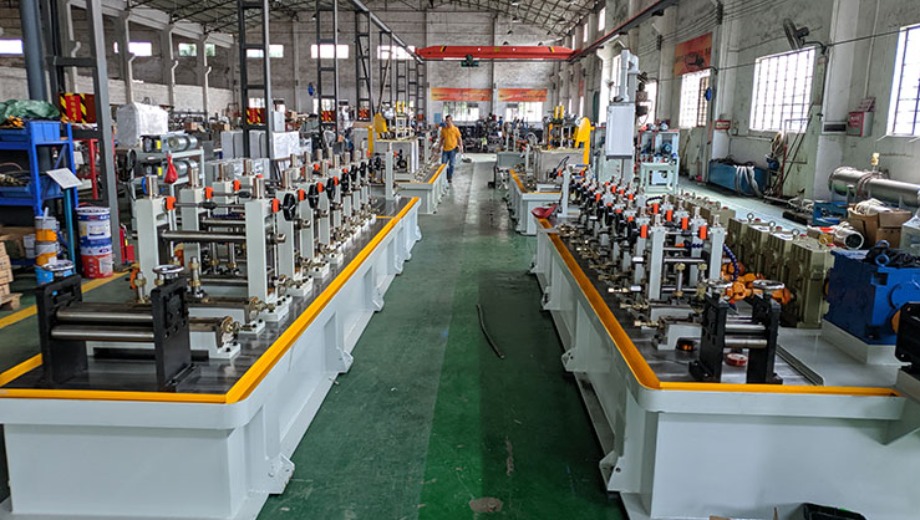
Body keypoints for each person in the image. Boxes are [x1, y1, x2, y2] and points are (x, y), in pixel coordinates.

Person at [438, 115, 463, 183]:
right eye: (446, 121)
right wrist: (439, 147)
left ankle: (449, 176)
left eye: (448, 121)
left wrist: (461, 147)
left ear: (451, 121)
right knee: (443, 165)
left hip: (453, 150)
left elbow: (459, 139)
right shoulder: (444, 129)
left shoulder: (455, 129)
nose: (447, 122)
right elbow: (442, 139)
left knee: (452, 165)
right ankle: (446, 176)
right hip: (445, 150)